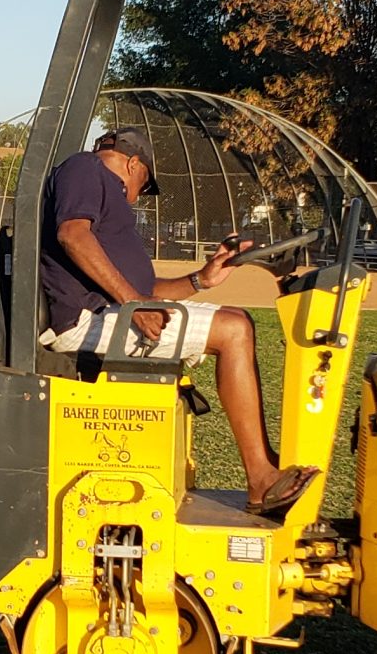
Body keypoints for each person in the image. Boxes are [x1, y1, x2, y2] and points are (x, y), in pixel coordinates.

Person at [40, 125, 316, 518]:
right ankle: (260, 478)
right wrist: (134, 302)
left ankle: (267, 467)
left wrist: (202, 279)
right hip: (88, 319)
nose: (137, 198)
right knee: (234, 328)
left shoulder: (104, 202)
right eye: (144, 184)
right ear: (133, 163)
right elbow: (72, 236)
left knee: (238, 323)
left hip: (114, 310)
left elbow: (148, 290)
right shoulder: (86, 169)